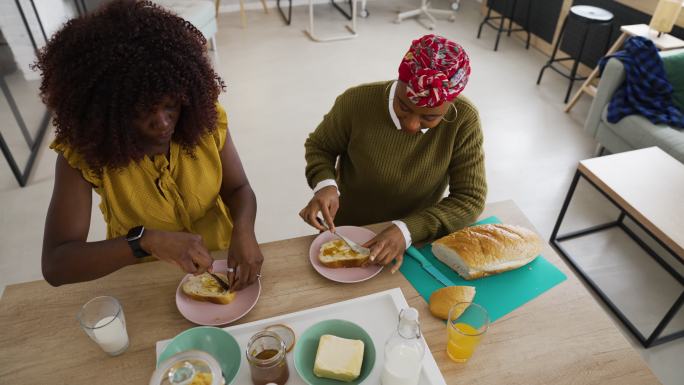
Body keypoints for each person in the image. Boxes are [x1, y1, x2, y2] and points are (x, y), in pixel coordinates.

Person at [36, 0, 262, 289]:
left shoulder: (205, 119)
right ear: (104, 114)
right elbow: (57, 264)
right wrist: (144, 242)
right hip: (144, 280)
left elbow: (238, 188)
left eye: (171, 106)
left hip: (219, 257)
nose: (163, 123)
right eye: (141, 112)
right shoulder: (83, 154)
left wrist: (243, 231)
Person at [300, 34, 487, 273]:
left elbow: (470, 199)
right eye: (403, 107)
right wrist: (325, 184)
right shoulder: (355, 103)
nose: (411, 125)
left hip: (415, 243)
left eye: (429, 117)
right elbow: (320, 147)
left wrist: (406, 230)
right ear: (399, 81)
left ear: (450, 105)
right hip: (349, 231)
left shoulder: (464, 120)